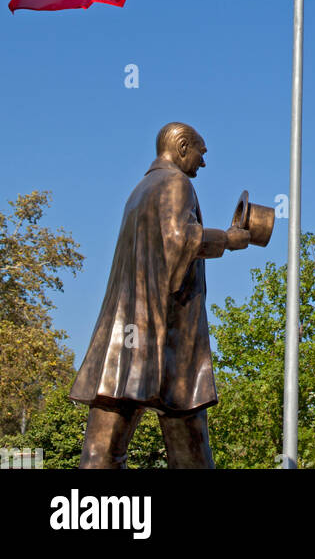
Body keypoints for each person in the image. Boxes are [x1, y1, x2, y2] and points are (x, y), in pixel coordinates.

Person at [70, 122, 250, 468]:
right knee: (191, 454)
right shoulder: (174, 183)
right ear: (183, 147)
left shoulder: (140, 190)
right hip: (165, 339)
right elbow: (178, 240)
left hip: (123, 340)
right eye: (201, 152)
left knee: (101, 453)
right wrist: (229, 239)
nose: (203, 162)